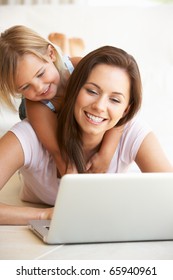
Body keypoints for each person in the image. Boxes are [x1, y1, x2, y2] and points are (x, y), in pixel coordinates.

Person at [0, 45, 172, 225]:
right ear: (73, 90)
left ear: (125, 110)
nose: (99, 106)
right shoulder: (30, 134)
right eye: (91, 91)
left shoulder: (132, 131)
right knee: (43, 90)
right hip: (47, 108)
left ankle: (66, 44)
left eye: (114, 99)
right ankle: (63, 45)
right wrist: (46, 215)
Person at [0, 25, 123, 175]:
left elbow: (120, 109)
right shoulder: (35, 105)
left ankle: (69, 49)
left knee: (72, 69)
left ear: (50, 54)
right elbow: (59, 154)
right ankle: (65, 48)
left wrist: (105, 154)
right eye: (25, 87)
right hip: (43, 108)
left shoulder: (78, 66)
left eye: (40, 74)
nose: (39, 88)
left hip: (66, 72)